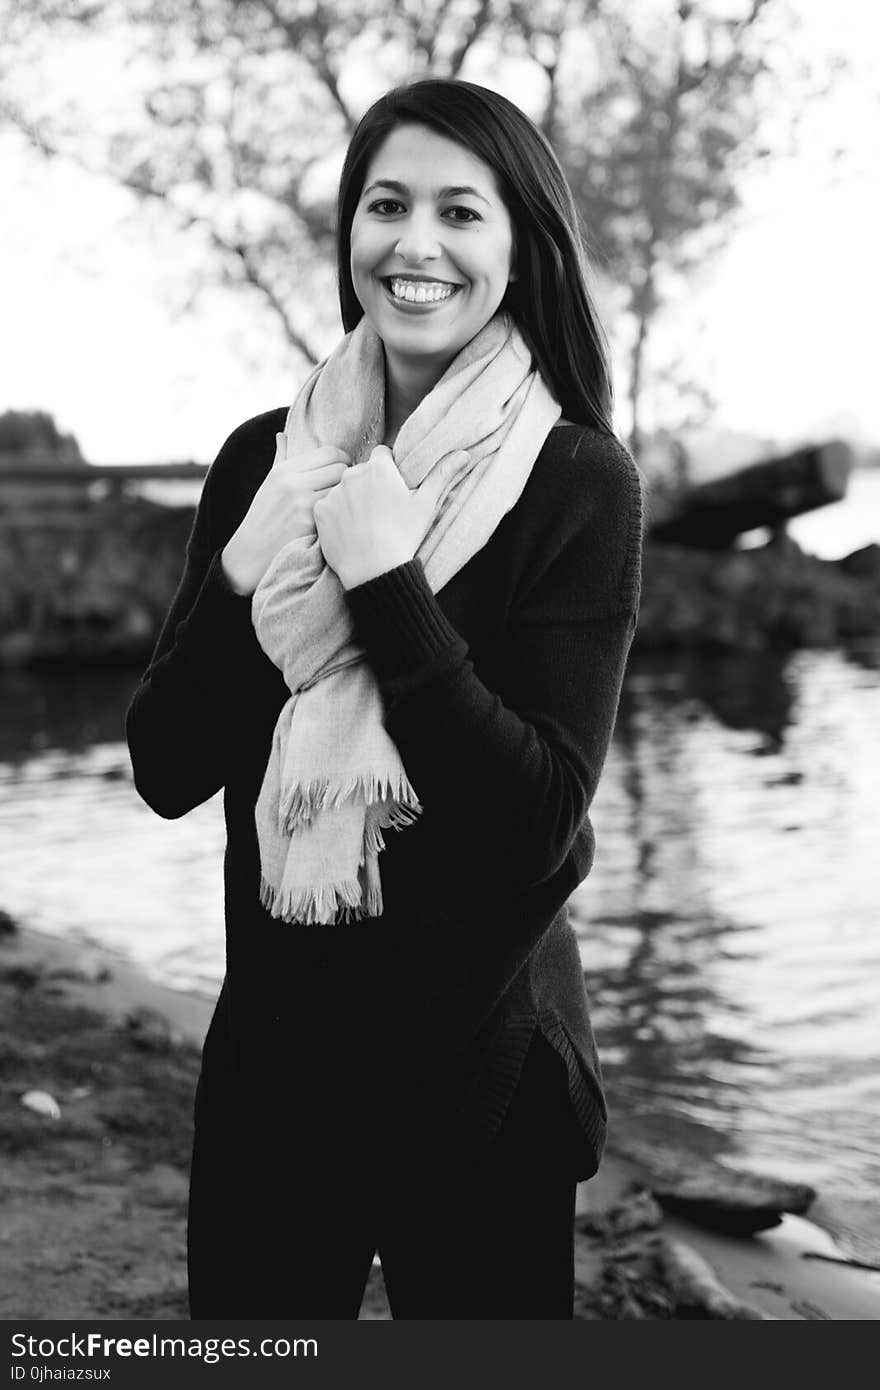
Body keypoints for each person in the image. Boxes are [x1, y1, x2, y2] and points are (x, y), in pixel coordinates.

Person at [125, 76, 643, 1320]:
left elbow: (535, 826)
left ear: (521, 249)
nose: (416, 244)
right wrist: (254, 563)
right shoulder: (268, 456)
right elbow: (167, 763)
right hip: (274, 1063)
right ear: (349, 234)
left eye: (461, 213)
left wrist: (388, 583)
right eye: (385, 205)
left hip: (482, 1069)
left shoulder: (579, 480)